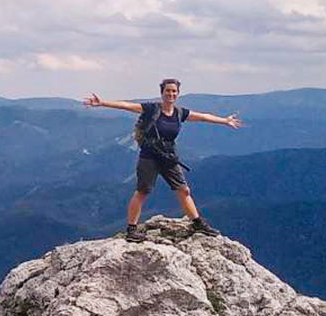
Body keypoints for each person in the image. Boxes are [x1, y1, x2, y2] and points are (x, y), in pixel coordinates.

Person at [82, 79, 242, 241]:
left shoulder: (179, 113)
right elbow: (127, 105)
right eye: (168, 91)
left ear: (178, 94)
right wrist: (102, 103)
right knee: (142, 191)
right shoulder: (152, 109)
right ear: (162, 92)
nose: (171, 94)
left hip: (168, 157)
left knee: (183, 190)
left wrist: (225, 121)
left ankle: (198, 223)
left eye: (174, 91)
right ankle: (131, 229)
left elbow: (202, 117)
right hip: (149, 157)